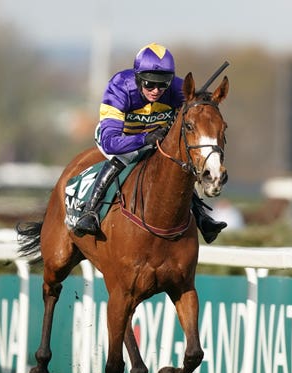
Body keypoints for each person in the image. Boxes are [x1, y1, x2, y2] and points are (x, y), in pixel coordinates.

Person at [73, 43, 227, 243]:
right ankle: (90, 211)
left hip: (154, 138)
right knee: (124, 157)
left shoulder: (175, 89)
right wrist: (144, 138)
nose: (156, 90)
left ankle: (201, 216)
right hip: (119, 139)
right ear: (138, 78)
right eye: (149, 84)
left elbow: (198, 107)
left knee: (178, 163)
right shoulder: (119, 87)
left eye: (162, 84)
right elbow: (110, 143)